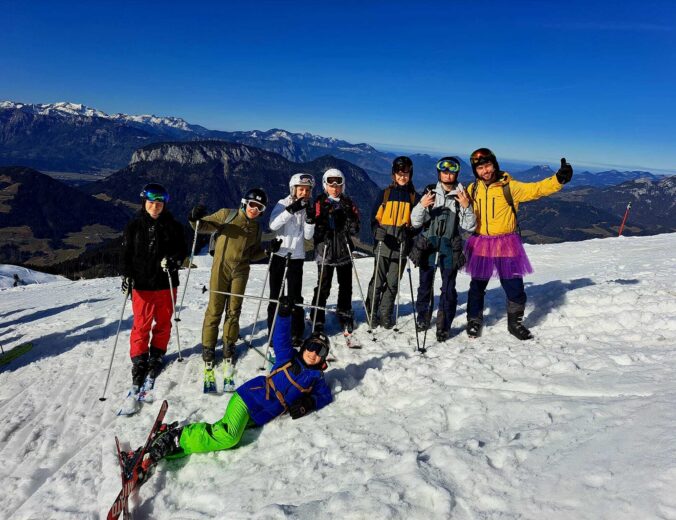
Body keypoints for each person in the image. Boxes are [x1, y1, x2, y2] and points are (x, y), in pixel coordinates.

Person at [144, 296, 332, 462]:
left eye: (321, 350)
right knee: (229, 436)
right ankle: (178, 437)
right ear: (304, 346)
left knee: (221, 432)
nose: (314, 353)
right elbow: (281, 337)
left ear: (324, 357)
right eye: (312, 346)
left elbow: (324, 396)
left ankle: (174, 446)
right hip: (250, 398)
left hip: (260, 415)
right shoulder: (288, 358)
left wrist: (308, 403)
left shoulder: (317, 380)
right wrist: (284, 314)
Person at [464, 148, 573, 340]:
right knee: (477, 286)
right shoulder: (472, 189)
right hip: (480, 241)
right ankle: (474, 320)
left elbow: (536, 189)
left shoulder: (510, 187)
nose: (485, 171)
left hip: (506, 242)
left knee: (514, 286)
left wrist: (558, 180)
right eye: (480, 168)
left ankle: (515, 323)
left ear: (494, 165)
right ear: (476, 171)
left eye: (488, 165)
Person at [188, 188, 268, 365]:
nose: (254, 209)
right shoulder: (227, 214)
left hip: (241, 271)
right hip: (221, 268)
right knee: (215, 308)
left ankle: (228, 344)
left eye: (259, 207)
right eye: (252, 204)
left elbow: (252, 253)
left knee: (234, 310)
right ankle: (208, 346)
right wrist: (194, 219)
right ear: (245, 203)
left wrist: (267, 251)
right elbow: (203, 226)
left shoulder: (257, 227)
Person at [121, 183, 187, 395]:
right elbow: (126, 254)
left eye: (158, 204)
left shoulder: (173, 226)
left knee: (163, 321)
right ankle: (139, 359)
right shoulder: (134, 226)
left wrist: (173, 260)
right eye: (151, 203)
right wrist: (126, 275)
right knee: (141, 323)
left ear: (164, 205)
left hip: (166, 283)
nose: (155, 207)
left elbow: (181, 251)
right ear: (144, 203)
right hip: (142, 284)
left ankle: (157, 353)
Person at [410, 157, 476, 342]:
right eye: (444, 171)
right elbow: (415, 222)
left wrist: (466, 206)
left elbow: (469, 226)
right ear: (439, 173)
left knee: (448, 288)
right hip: (428, 246)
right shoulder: (430, 192)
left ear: (456, 173)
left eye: (451, 171)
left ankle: (444, 325)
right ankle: (423, 317)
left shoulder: (460, 195)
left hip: (449, 247)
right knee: (425, 286)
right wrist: (422, 205)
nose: (448, 175)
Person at [365, 156, 419, 329]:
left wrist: (409, 232)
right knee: (378, 281)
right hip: (383, 245)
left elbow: (419, 223)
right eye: (399, 173)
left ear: (410, 175)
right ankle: (372, 312)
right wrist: (376, 231)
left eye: (406, 174)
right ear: (394, 174)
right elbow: (374, 219)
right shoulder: (385, 194)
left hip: (401, 248)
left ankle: (385, 313)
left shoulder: (413, 198)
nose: (402, 177)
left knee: (393, 283)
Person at [309, 168, 361, 333]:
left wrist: (347, 220)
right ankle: (317, 317)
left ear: (342, 186)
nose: (335, 188)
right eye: (331, 184)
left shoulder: (348, 203)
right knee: (323, 285)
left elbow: (355, 228)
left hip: (344, 250)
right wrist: (323, 224)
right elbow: (313, 229)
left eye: (338, 184)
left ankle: (344, 312)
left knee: (346, 285)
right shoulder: (319, 202)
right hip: (326, 250)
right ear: (325, 185)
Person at [267, 173, 316, 346]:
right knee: (276, 296)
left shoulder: (308, 207)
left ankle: (296, 332)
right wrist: (290, 210)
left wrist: (310, 220)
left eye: (307, 190)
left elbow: (309, 236)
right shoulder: (283, 203)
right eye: (301, 189)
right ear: (293, 189)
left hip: (297, 256)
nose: (304, 193)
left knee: (295, 297)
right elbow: (273, 225)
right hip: (280, 254)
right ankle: (273, 333)